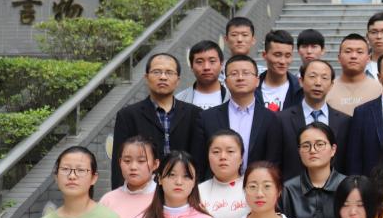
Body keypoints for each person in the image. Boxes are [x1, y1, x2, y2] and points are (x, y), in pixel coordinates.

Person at [111, 52, 203, 189]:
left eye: (169, 72)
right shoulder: (128, 115)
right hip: (141, 191)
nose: (163, 77)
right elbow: (119, 162)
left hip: (183, 189)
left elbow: (199, 158)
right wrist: (120, 193)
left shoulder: (195, 114)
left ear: (178, 80)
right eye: (156, 72)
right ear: (146, 77)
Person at [198, 55, 280, 177]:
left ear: (257, 81)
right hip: (217, 186)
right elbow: (200, 161)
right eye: (234, 74)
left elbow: (273, 161)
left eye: (246, 73)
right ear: (225, 82)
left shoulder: (271, 118)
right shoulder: (207, 118)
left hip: (257, 185)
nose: (240, 78)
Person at [276, 58, 350, 180]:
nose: (318, 83)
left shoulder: (345, 121)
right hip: (292, 188)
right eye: (312, 76)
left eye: (324, 78)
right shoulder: (281, 119)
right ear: (301, 81)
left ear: (331, 85)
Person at [197, 130, 249, 218]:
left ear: (241, 157)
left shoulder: (252, 188)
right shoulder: (198, 191)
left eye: (230, 151)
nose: (223, 157)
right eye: (216, 152)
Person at [326, 34, 382, 116]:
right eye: (348, 51)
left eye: (359, 52)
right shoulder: (326, 88)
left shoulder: (380, 90)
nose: (353, 56)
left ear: (368, 58)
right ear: (339, 58)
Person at [257, 29, 300, 112]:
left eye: (288, 56)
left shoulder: (300, 90)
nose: (282, 61)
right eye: (277, 55)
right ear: (264, 55)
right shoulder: (251, 88)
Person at [176, 41, 228, 109]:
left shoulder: (234, 98)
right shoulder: (179, 100)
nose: (206, 67)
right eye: (199, 62)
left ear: (221, 64)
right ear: (191, 66)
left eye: (212, 61)